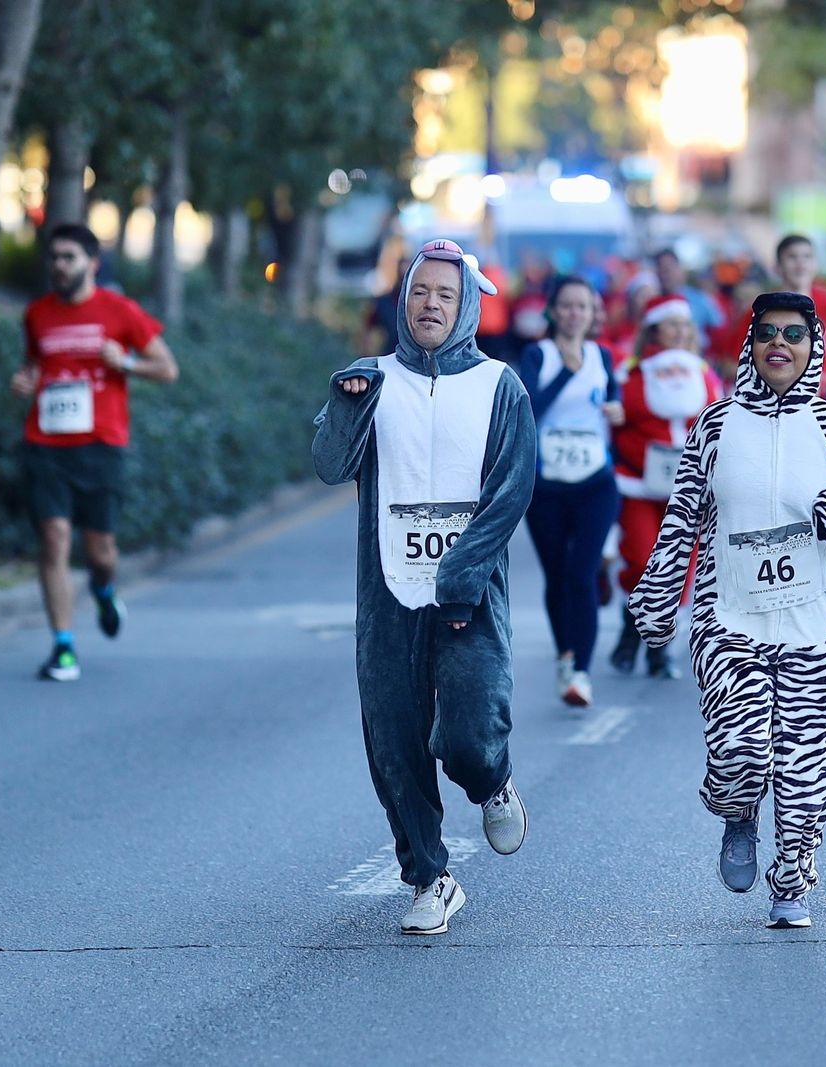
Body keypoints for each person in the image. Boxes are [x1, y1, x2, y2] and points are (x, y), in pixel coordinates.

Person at [629, 291, 826, 930]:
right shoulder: (715, 425)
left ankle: (792, 882)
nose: (781, 344)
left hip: (821, 626)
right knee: (740, 748)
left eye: (794, 335)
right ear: (751, 345)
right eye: (768, 332)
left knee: (809, 768)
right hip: (730, 618)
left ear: (813, 348)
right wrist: (659, 595)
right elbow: (683, 512)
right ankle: (738, 811)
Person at [311, 239, 534, 936]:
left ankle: (492, 779)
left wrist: (463, 574)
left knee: (467, 733)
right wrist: (346, 408)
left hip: (467, 596)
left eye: (443, 293)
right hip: (388, 597)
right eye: (418, 292)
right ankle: (430, 877)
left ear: (466, 303)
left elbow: (511, 489)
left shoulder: (501, 385)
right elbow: (326, 463)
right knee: (395, 742)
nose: (429, 304)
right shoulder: (369, 379)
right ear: (401, 301)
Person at [10, 223, 180, 682]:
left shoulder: (119, 310)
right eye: (54, 258)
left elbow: (167, 369)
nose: (59, 266)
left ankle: (104, 589)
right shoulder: (37, 314)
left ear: (92, 263)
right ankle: (63, 647)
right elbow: (32, 366)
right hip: (45, 443)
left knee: (101, 552)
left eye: (68, 257)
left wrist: (123, 362)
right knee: (53, 539)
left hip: (101, 445)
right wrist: (24, 380)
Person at [513, 275, 624, 707]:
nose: (575, 313)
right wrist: (566, 373)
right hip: (546, 484)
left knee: (581, 573)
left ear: (593, 313)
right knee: (558, 576)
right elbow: (529, 408)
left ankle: (581, 670)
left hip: (596, 481)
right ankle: (565, 655)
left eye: (584, 306)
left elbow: (611, 399)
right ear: (554, 311)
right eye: (568, 306)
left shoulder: (603, 355)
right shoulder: (536, 354)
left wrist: (615, 409)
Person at [610, 294, 724, 677]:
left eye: (684, 324)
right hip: (640, 485)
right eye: (670, 323)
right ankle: (631, 629)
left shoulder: (704, 372)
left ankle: (658, 649)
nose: (679, 330)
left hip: (689, 489)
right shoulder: (632, 372)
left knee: (680, 571)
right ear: (654, 328)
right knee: (643, 561)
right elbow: (620, 418)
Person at [731, 234, 826, 397]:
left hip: (822, 403)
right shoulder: (761, 310)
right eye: (792, 257)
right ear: (777, 267)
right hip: (771, 404)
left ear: (815, 265)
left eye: (807, 257)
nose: (801, 263)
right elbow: (731, 364)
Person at [655, 247, 725, 337]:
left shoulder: (700, 299)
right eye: (661, 269)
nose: (665, 274)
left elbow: (719, 329)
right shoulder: (653, 302)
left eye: (669, 269)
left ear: (679, 269)